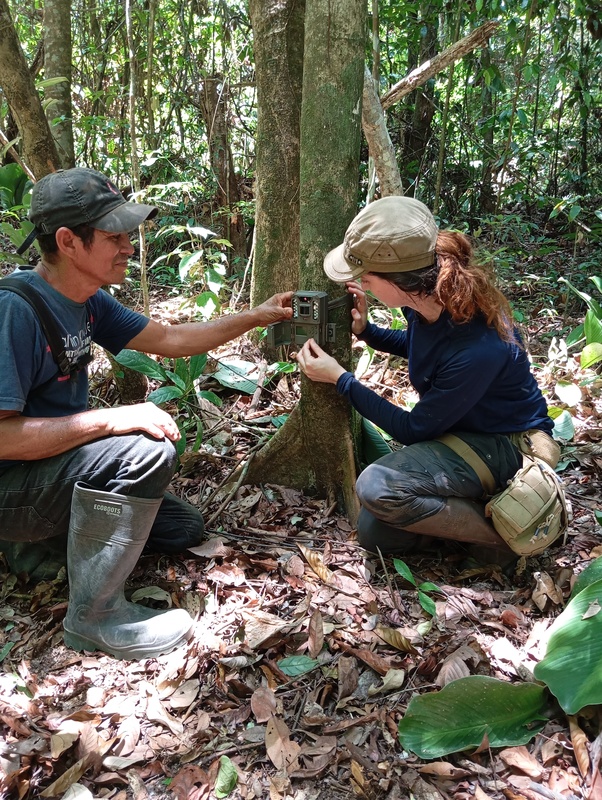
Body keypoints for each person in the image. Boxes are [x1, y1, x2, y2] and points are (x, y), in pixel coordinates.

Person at [0, 167, 293, 660]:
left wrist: (256, 315)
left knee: (182, 528)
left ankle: (46, 547)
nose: (129, 248)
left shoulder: (89, 301)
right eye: (114, 237)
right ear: (69, 242)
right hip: (11, 484)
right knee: (143, 451)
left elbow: (170, 340)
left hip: (49, 472)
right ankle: (94, 618)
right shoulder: (16, 309)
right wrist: (114, 418)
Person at [296, 195, 559, 562]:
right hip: (462, 430)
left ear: (399, 280)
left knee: (376, 487)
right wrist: (367, 332)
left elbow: (413, 428)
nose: (364, 285)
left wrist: (341, 380)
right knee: (376, 535)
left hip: (506, 446)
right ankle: (469, 518)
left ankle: (504, 543)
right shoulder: (426, 299)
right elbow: (428, 351)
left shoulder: (479, 348)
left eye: (367, 278)